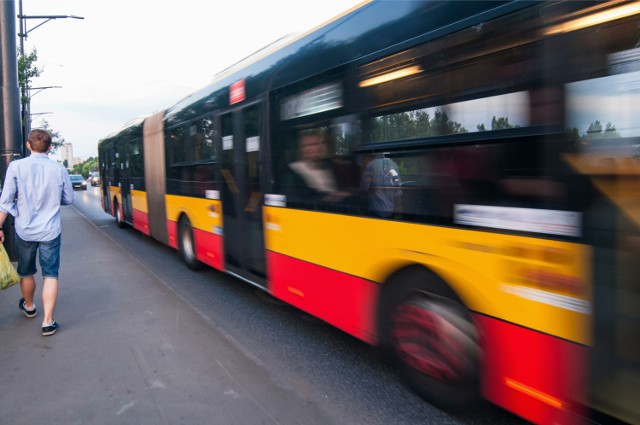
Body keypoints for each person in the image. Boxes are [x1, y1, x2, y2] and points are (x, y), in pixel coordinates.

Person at [0, 129, 74, 336]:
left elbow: (5, 202)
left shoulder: (15, 167)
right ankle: (48, 322)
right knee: (50, 274)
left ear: (28, 145)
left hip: (25, 231)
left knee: (26, 271)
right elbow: (69, 199)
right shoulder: (59, 169)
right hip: (50, 230)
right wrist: (51, 200)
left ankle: (30, 306)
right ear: (50, 147)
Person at [286, 130, 349, 205]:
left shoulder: (331, 166)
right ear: (302, 149)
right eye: (311, 145)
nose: (318, 147)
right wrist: (328, 197)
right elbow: (296, 200)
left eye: (321, 143)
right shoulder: (292, 171)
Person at [361, 152, 401, 218]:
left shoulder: (370, 165)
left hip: (375, 212)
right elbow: (398, 192)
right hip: (391, 212)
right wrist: (399, 209)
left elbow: (365, 188)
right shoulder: (393, 164)